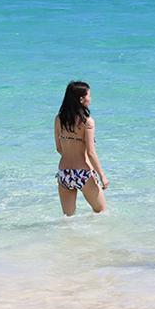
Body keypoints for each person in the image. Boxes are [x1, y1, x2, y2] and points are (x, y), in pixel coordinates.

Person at [54, 81, 109, 216]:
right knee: (101, 213)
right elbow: (90, 152)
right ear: (81, 99)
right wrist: (102, 176)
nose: (90, 98)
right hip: (83, 173)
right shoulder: (87, 122)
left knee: (68, 218)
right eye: (89, 95)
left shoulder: (59, 119)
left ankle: (70, 237)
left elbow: (59, 148)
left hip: (64, 173)